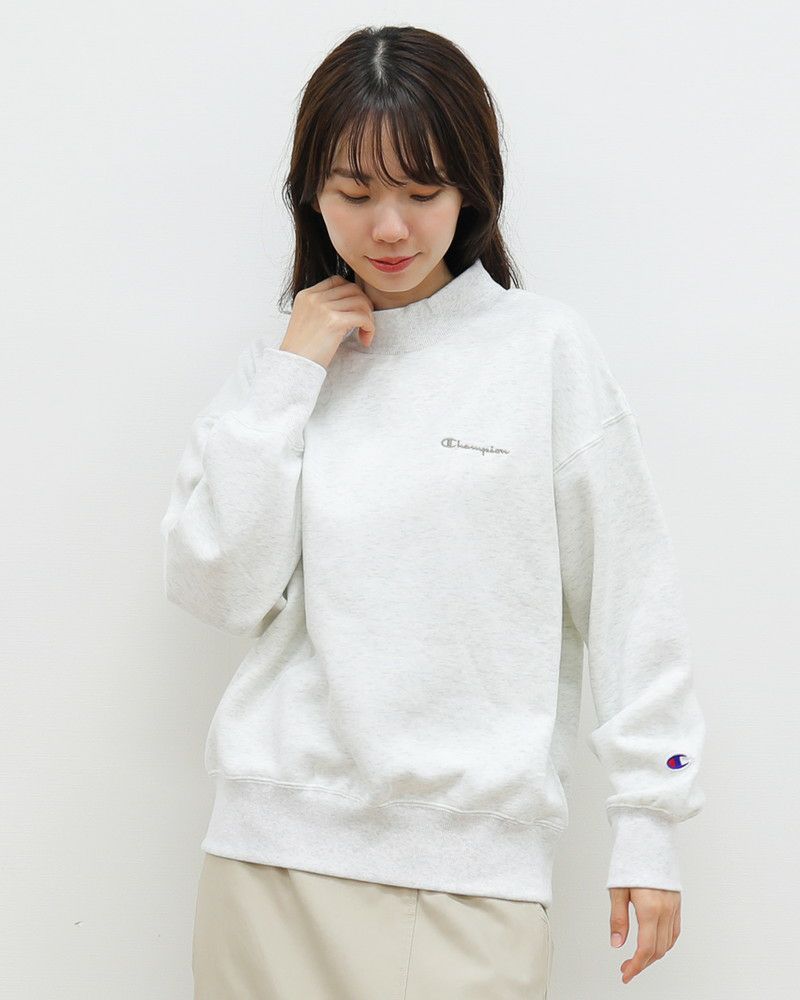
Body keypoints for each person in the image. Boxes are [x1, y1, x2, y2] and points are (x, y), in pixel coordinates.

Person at [159, 24, 706, 1000]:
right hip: (268, 862)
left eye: (421, 192)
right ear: (309, 195)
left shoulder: (542, 352)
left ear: (471, 191)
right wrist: (293, 374)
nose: (389, 229)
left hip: (473, 880)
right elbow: (217, 588)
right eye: (354, 193)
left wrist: (649, 821)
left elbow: (632, 595)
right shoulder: (278, 373)